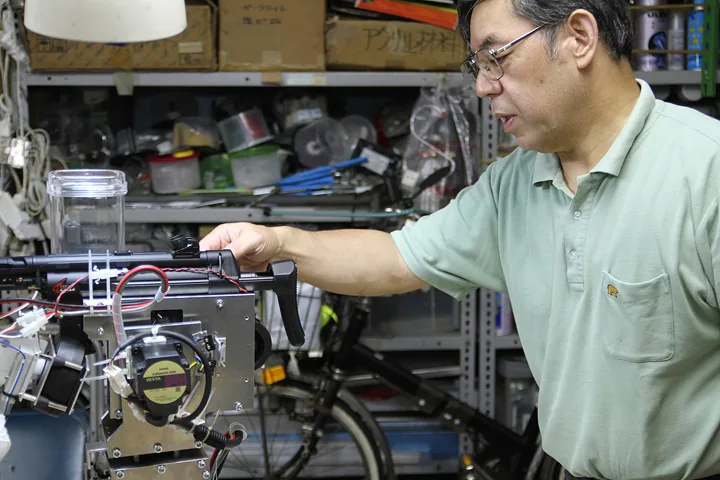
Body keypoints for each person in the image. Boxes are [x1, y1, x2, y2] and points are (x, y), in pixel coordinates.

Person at [200, 0, 720, 478]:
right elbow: (396, 257)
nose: (483, 87)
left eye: (496, 58)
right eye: (478, 66)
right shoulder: (515, 182)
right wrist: (278, 242)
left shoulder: (705, 172)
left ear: (579, 38)